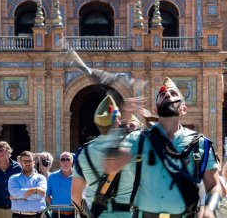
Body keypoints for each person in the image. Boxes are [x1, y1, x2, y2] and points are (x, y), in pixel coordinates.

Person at [104, 77, 222, 218]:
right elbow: (111, 166)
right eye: (162, 95)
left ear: (184, 109)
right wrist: (122, 122)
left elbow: (214, 186)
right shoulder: (138, 140)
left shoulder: (199, 144)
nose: (167, 95)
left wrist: (210, 207)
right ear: (156, 109)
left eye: (173, 94)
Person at [72, 95, 133, 218]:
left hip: (96, 213)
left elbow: (75, 195)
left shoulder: (83, 152)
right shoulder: (132, 146)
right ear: (118, 120)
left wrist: (86, 214)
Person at [0, 141, 21, 218]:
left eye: (3, 150)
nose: (0, 153)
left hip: (15, 209)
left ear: (9, 152)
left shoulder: (18, 168)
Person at [8, 150, 47, 218]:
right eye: (24, 161)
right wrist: (36, 190)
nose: (27, 163)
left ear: (33, 163)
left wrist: (19, 197)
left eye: (29, 161)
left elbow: (42, 194)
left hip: (38, 215)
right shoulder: (13, 178)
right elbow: (14, 193)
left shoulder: (41, 178)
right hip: (18, 215)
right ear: (20, 163)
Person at [46, 151, 74, 218]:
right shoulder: (52, 177)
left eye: (68, 159)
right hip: (56, 214)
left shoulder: (77, 177)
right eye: (63, 159)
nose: (65, 162)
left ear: (72, 161)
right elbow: (47, 195)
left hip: (74, 214)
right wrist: (54, 206)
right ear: (59, 162)